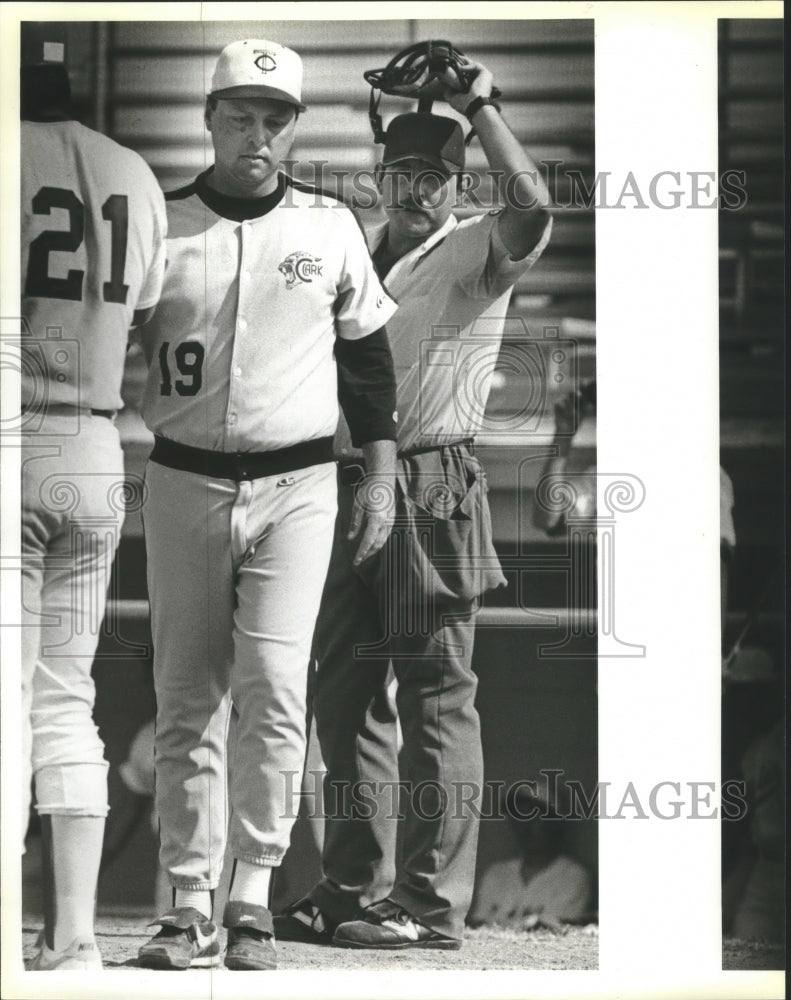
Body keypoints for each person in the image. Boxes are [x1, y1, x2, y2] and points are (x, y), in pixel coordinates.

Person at [276, 57, 552, 949]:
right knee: (344, 694)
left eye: (434, 178)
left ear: (458, 183)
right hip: (349, 478)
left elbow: (536, 207)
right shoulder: (357, 248)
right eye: (402, 175)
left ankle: (429, 905)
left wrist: (478, 105)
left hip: (430, 479)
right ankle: (354, 885)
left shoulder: (475, 246)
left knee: (437, 694)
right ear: (381, 176)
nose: (416, 191)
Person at [134, 38, 398, 972]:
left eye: (275, 116)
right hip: (181, 473)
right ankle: (186, 900)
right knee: (185, 697)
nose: (257, 131)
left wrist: (381, 473)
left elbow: (367, 359)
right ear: (209, 117)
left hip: (299, 483)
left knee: (278, 691)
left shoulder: (329, 225)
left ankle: (251, 893)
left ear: (293, 126)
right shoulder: (157, 222)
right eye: (239, 113)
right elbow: (103, 329)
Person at [19, 23, 167, 971]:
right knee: (65, 698)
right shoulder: (134, 172)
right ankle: (76, 938)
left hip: (11, 431)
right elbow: (149, 308)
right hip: (96, 439)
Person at [467, 785, 591, 932]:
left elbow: (554, 938)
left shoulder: (572, 876)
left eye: (534, 817)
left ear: (554, 822)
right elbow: (476, 929)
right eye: (518, 817)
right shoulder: (496, 873)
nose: (524, 825)